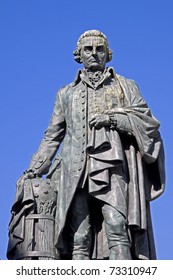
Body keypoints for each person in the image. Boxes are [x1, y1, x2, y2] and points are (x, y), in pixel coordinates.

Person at [8, 30, 165, 260]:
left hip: (112, 168)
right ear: (78, 55)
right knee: (79, 237)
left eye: (99, 49)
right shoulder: (66, 93)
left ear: (107, 54)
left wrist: (114, 119)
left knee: (116, 226)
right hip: (74, 171)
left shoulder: (125, 86)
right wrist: (34, 169)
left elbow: (147, 122)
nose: (94, 53)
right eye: (88, 49)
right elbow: (53, 135)